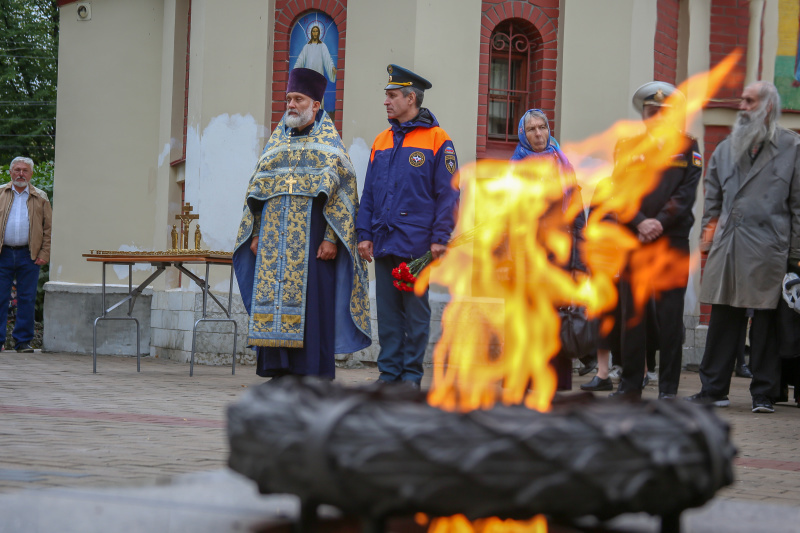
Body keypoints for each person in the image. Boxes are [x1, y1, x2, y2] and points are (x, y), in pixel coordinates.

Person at [233, 67, 371, 379]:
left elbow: (345, 195)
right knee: (273, 301)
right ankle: (277, 370)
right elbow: (257, 190)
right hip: (271, 241)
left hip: (312, 243)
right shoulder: (276, 143)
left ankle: (311, 375)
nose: (291, 105)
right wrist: (254, 232)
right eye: (289, 99)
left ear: (316, 104)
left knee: (312, 307)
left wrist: (331, 239)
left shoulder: (331, 145)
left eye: (298, 99)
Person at [687, 81, 800, 413]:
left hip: (770, 248)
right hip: (729, 244)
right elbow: (712, 199)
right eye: (742, 100)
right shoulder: (725, 148)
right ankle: (713, 389)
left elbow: (798, 206)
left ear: (767, 107)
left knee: (765, 322)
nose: (742, 106)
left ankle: (763, 393)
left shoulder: (791, 147)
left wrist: (795, 257)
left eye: (750, 101)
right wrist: (709, 237)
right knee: (723, 319)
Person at [356, 64, 460, 388]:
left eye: (392, 95)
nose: (385, 102)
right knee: (387, 314)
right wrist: (364, 234)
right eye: (386, 96)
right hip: (385, 241)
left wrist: (441, 237)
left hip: (417, 245)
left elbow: (449, 193)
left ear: (410, 98)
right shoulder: (381, 140)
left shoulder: (438, 139)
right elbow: (369, 192)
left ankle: (411, 378)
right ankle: (389, 375)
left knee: (415, 314)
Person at [610, 82, 702, 400]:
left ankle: (668, 390)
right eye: (651, 112)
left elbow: (685, 194)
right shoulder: (626, 147)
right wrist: (640, 221)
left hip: (671, 240)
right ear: (644, 115)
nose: (657, 117)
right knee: (632, 314)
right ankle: (631, 384)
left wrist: (658, 223)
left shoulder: (688, 147)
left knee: (670, 317)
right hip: (635, 239)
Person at [510, 109, 586, 391]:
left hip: (561, 256)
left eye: (542, 127)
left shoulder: (562, 163)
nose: (539, 134)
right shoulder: (516, 166)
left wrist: (580, 263)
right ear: (523, 134)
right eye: (531, 130)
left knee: (557, 319)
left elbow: (578, 218)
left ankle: (557, 382)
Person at [0, 157, 51, 353]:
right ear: (11, 172)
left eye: (25, 170)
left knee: (27, 298)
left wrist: (44, 253)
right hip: (2, 254)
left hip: (29, 255)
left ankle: (23, 341)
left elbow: (48, 229)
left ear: (31, 174)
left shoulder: (41, 197)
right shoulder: (1, 193)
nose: (21, 173)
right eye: (17, 170)